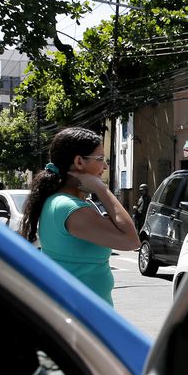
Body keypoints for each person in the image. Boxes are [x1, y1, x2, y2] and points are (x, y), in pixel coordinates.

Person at [19, 127, 140, 307]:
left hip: (83, 316)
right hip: (79, 318)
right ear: (79, 162)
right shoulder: (68, 207)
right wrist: (101, 189)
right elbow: (131, 241)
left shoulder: (71, 202)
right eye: (100, 159)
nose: (105, 166)